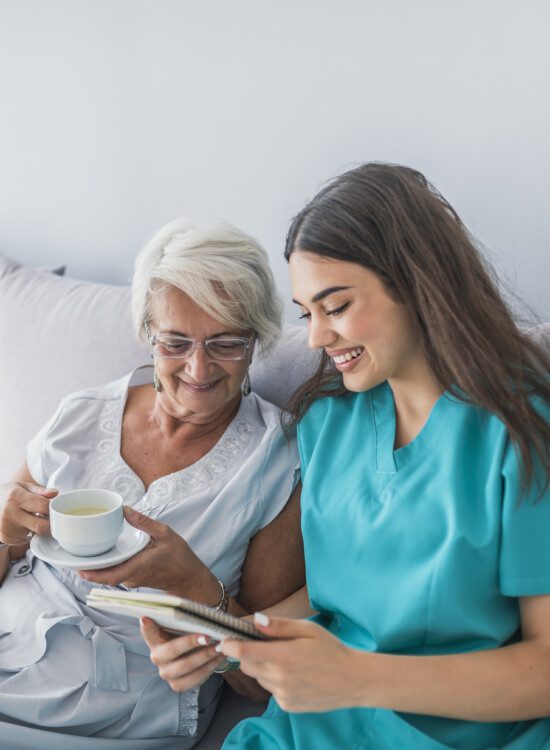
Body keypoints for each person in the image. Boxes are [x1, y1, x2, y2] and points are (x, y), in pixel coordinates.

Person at [145, 163, 550, 749]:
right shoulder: (328, 423)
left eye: (335, 307)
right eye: (307, 313)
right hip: (314, 731)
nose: (314, 339)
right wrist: (225, 644)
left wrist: (359, 677)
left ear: (415, 282)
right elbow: (336, 596)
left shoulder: (518, 430)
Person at [0, 219, 305, 749]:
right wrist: (4, 535)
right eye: (176, 342)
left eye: (227, 343)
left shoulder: (277, 462)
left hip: (111, 715)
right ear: (147, 332)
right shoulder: (81, 414)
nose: (199, 367)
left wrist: (192, 586)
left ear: (256, 341)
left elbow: (259, 683)